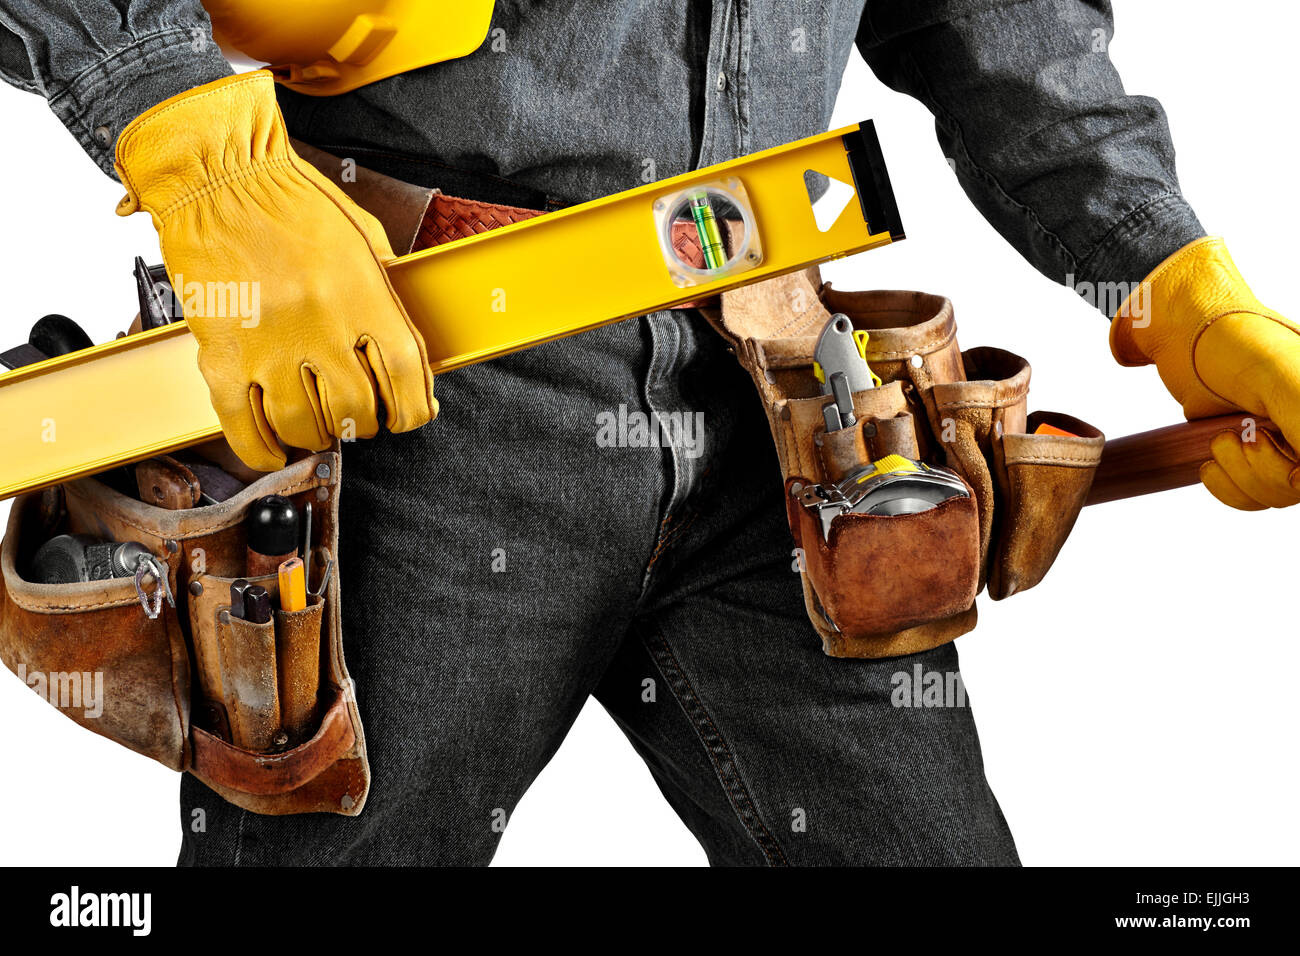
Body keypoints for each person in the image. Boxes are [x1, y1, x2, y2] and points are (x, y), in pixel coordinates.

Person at [1, 1, 1294, 866]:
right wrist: (191, 143)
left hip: (790, 398)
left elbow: (989, 17)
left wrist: (1171, 281)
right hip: (412, 378)